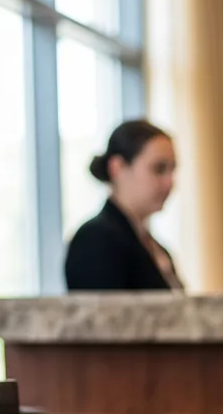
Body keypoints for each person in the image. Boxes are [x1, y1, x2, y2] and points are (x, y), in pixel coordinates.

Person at [64, 120, 182, 291]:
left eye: (172, 170)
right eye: (159, 169)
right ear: (117, 168)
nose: (169, 182)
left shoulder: (155, 247)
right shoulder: (94, 240)